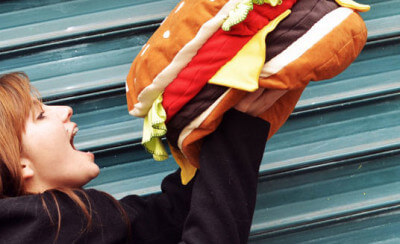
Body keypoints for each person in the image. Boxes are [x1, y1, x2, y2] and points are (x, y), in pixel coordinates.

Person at [0, 72, 279, 243]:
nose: (65, 110)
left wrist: (212, 124)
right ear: (19, 163)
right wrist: (236, 132)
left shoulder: (69, 221)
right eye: (40, 115)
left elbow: (162, 218)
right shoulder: (51, 228)